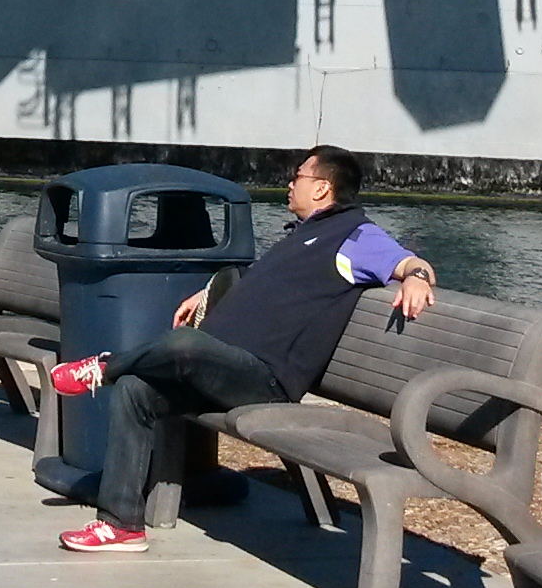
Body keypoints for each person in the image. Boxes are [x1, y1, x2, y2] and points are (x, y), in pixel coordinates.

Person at [45, 144, 437, 553]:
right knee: (136, 392)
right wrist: (209, 294)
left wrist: (418, 279)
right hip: (229, 366)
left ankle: (103, 369)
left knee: (184, 346)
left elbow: (408, 262)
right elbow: (259, 283)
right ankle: (121, 524)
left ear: (322, 189)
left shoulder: (355, 237)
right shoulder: (303, 234)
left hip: (266, 378)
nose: (289, 184)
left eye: (297, 177)